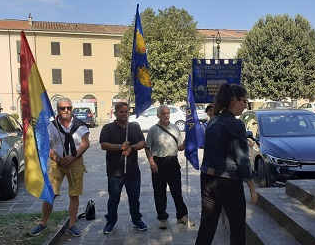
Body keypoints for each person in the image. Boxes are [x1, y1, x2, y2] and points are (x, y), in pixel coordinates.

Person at [184, 84, 261, 245]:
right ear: (234, 101)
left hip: (207, 178)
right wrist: (252, 188)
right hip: (228, 181)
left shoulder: (214, 121)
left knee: (208, 225)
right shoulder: (235, 124)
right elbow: (243, 159)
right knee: (236, 226)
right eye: (245, 101)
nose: (246, 105)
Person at [30, 98, 90, 237]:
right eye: (62, 108)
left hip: (75, 162)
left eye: (68, 107)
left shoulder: (81, 125)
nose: (66, 110)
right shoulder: (51, 126)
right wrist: (58, 159)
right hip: (57, 163)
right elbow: (47, 146)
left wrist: (72, 158)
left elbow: (85, 144)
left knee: (74, 194)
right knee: (51, 194)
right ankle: (43, 223)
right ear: (57, 110)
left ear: (72, 108)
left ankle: (72, 224)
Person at [99, 102, 147, 234]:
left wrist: (132, 147)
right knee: (114, 198)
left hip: (132, 170)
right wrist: (119, 146)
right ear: (115, 113)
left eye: (126, 112)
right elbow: (103, 145)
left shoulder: (134, 127)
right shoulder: (108, 128)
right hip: (115, 171)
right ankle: (111, 221)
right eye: (122, 112)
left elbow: (143, 142)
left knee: (134, 198)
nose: (124, 114)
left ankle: (137, 220)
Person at [145, 105, 194, 229]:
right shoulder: (153, 130)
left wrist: (188, 140)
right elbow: (147, 148)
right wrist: (151, 162)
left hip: (172, 163)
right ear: (158, 116)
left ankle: (181, 216)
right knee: (159, 192)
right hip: (158, 163)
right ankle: (162, 218)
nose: (166, 115)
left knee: (177, 190)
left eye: (167, 113)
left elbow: (180, 147)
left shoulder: (175, 128)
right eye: (163, 114)